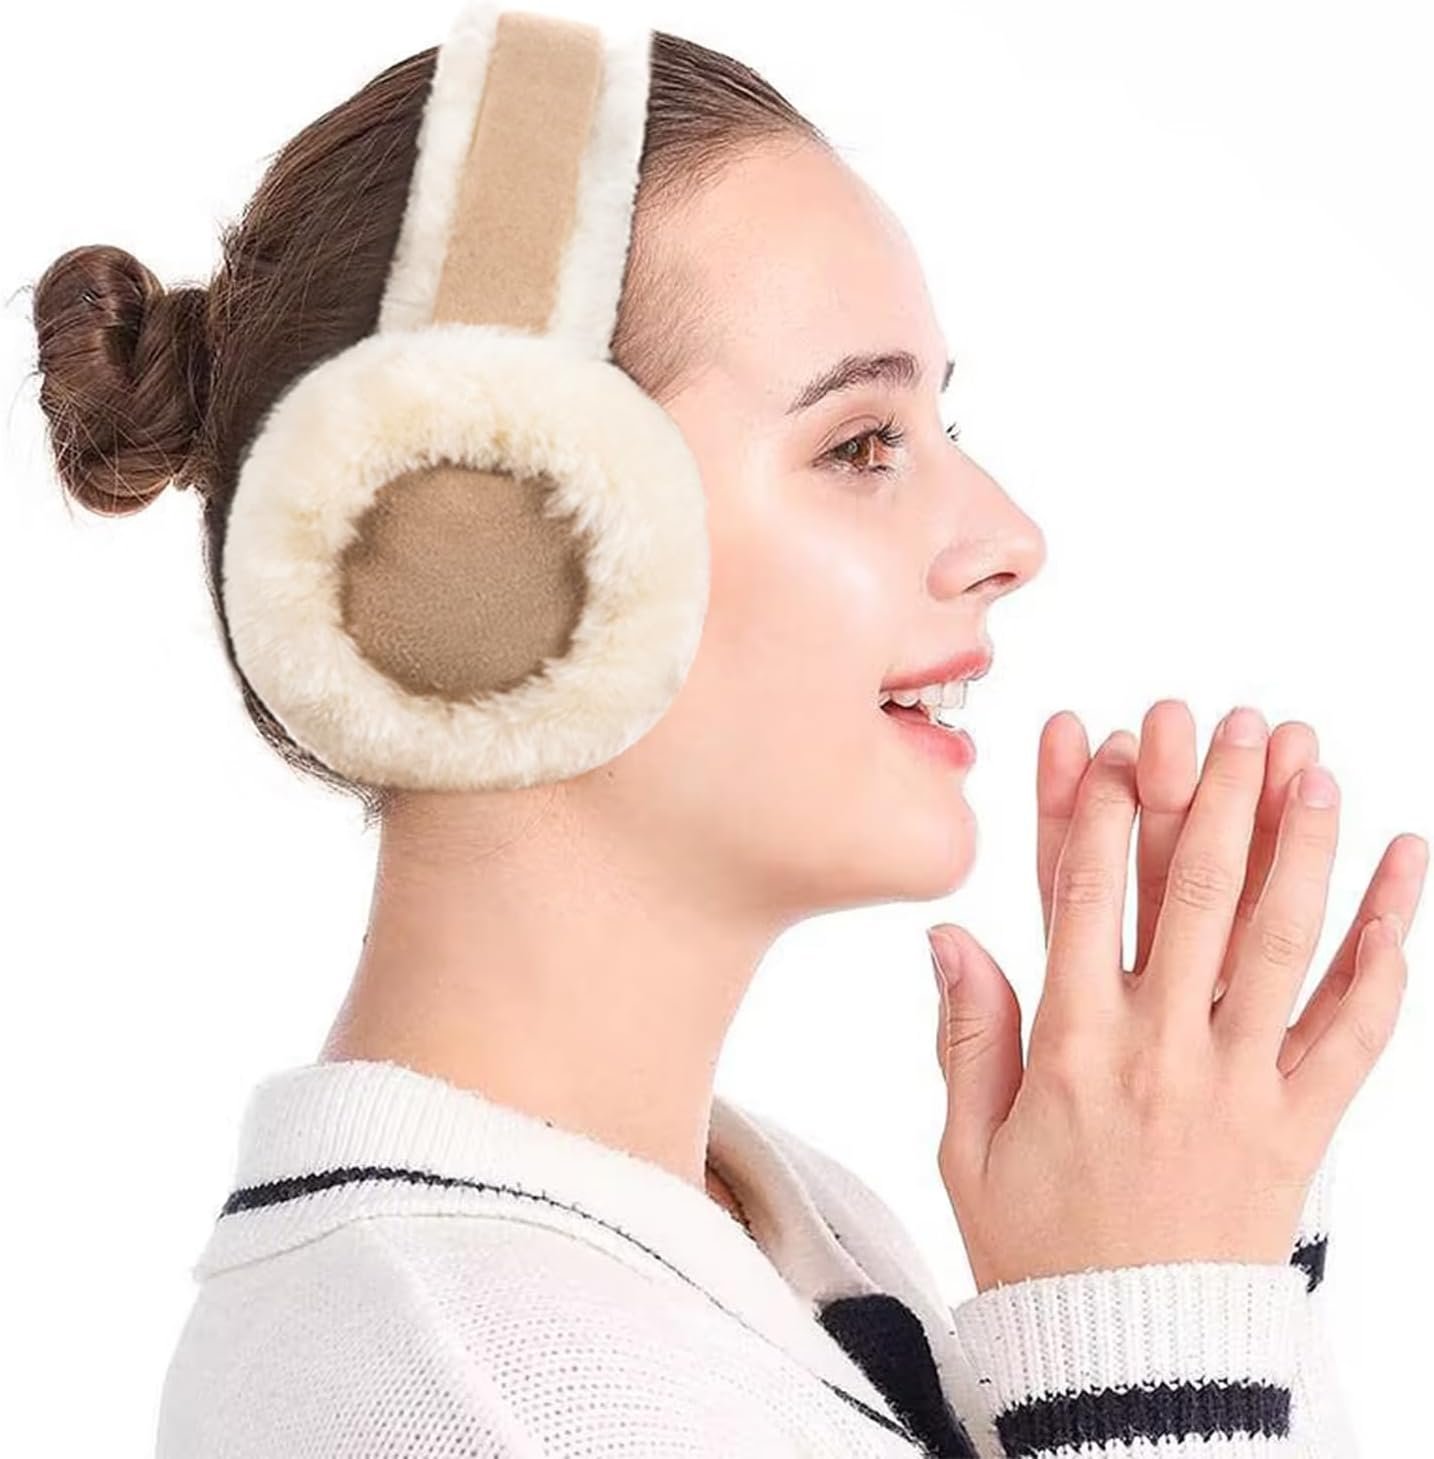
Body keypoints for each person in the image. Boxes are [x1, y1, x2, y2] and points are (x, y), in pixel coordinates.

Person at [26, 5, 1425, 1456]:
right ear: (484, 548)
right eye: (859, 444)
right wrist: (1157, 1352)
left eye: (937, 429)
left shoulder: (761, 1237)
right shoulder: (471, 1396)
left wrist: (1196, 1227)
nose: (1010, 538)